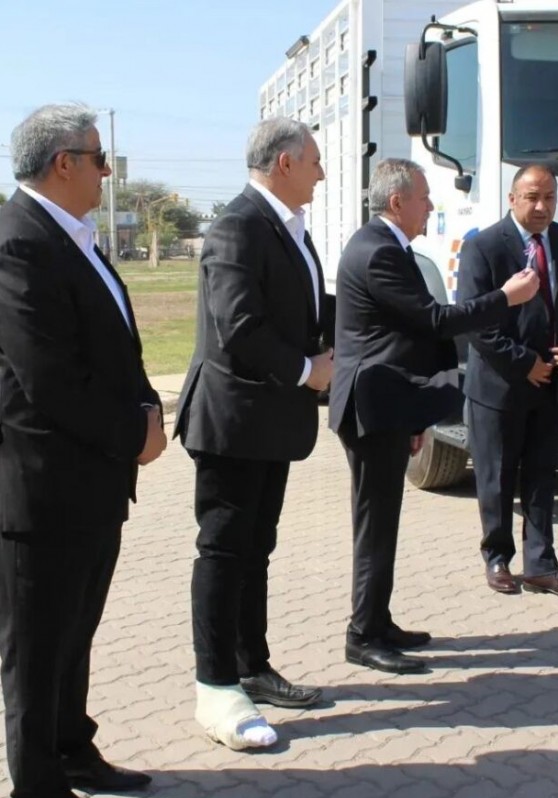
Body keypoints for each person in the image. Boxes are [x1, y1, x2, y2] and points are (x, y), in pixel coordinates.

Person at [0, 104, 167, 798]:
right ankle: (38, 790)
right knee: (37, 647)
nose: (106, 171)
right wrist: (136, 429)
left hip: (91, 482)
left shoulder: (73, 237)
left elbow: (117, 346)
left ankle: (73, 748)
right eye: (99, 158)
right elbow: (49, 381)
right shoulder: (19, 242)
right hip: (43, 488)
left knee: (75, 632)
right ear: (63, 162)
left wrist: (146, 406)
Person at [329, 158, 539, 674]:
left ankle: (378, 621)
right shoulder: (377, 251)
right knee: (374, 525)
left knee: (384, 523)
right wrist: (504, 298)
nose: (431, 206)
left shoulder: (390, 247)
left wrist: (417, 417)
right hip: (371, 409)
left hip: (390, 407)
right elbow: (433, 321)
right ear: (397, 202)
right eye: (424, 197)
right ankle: (362, 634)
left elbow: (409, 334)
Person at [175, 118, 334, 749]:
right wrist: (306, 370)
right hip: (232, 421)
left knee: (255, 549)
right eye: (317, 161)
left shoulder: (290, 228)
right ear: (286, 163)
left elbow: (301, 307)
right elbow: (238, 326)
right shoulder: (238, 224)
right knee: (223, 550)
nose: (323, 173)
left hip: (270, 421)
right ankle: (217, 687)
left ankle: (252, 666)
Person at [457, 165, 558, 599]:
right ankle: (498, 558)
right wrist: (524, 363)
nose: (542, 207)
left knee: (542, 476)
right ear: (512, 198)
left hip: (552, 385)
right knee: (497, 477)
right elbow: (476, 323)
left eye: (550, 198)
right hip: (500, 387)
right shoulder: (483, 247)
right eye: (533, 197)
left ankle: (541, 564)